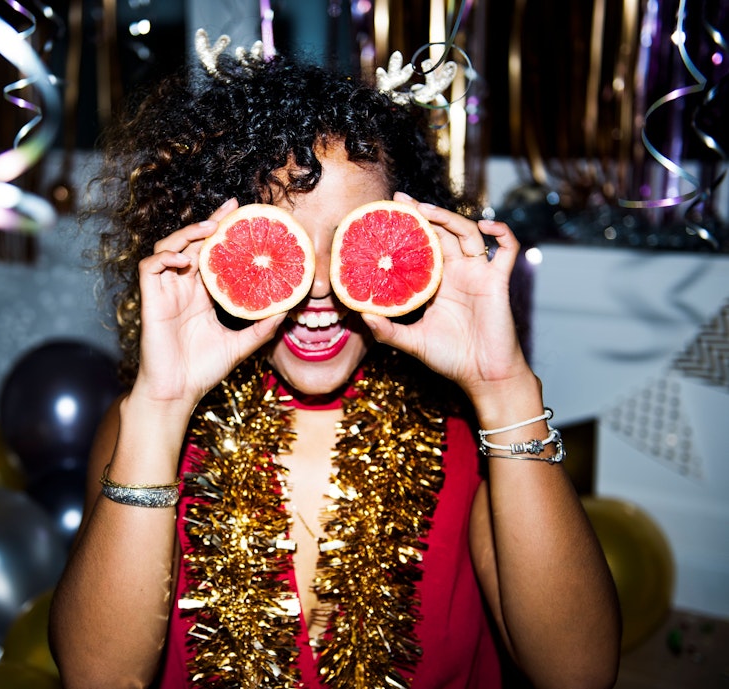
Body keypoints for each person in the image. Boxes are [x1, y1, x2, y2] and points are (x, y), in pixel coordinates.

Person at [50, 30, 621, 689]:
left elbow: (579, 672)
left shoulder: (466, 429)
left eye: (351, 239)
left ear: (410, 239)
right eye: (284, 241)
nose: (319, 287)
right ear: (220, 246)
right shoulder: (151, 433)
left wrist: (505, 391)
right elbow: (97, 676)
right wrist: (160, 407)